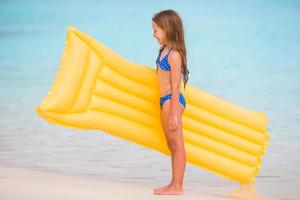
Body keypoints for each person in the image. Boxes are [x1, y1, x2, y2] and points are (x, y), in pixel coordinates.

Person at [152, 9, 189, 195]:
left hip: (171, 100)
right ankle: (173, 183)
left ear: (168, 29)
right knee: (171, 145)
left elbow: (176, 86)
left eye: (156, 30)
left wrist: (174, 112)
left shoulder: (174, 55)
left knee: (177, 144)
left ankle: (178, 187)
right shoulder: (163, 50)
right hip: (164, 101)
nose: (153, 34)